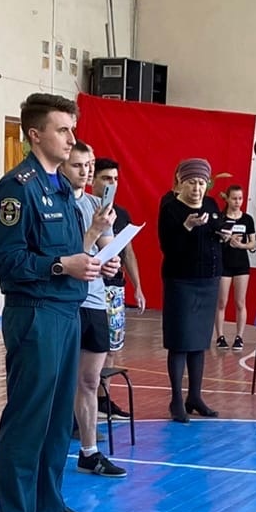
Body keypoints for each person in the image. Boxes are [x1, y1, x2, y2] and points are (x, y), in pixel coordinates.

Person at [0, 92, 110, 512]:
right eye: (63, 130)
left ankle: (47, 501)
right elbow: (6, 260)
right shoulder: (17, 188)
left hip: (66, 311)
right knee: (28, 415)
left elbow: (68, 250)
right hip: (35, 312)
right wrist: (64, 267)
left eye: (72, 129)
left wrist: (92, 262)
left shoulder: (61, 187)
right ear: (35, 134)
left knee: (59, 414)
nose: (72, 139)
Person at [65, 141, 124, 478]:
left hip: (96, 301)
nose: (86, 172)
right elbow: (70, 256)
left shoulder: (95, 204)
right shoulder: (57, 205)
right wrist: (93, 232)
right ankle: (51, 448)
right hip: (68, 302)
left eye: (89, 166)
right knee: (61, 381)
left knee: (89, 381)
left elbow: (103, 251)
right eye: (78, 166)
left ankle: (89, 452)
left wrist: (111, 261)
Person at [157, 159, 228, 422]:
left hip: (208, 280)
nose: (197, 188)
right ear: (181, 183)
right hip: (182, 282)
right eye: (192, 183)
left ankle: (195, 396)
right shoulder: (171, 208)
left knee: (199, 343)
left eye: (201, 183)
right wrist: (187, 226)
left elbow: (214, 233)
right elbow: (168, 247)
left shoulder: (210, 205)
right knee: (179, 342)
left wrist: (223, 235)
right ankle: (176, 399)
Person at [91, 156, 145, 389]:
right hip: (92, 287)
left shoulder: (120, 213)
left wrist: (138, 287)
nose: (110, 184)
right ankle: (84, 399)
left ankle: (104, 398)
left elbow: (129, 253)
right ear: (93, 180)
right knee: (91, 348)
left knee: (113, 345)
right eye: (105, 178)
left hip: (115, 287)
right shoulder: (86, 207)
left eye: (114, 179)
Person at [215, 182, 254, 350]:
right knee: (222, 302)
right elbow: (215, 239)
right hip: (224, 264)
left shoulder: (247, 219)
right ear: (228, 199)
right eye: (234, 198)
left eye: (240, 198)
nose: (237, 202)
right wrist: (225, 239)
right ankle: (220, 336)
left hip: (241, 265)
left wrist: (241, 245)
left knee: (240, 302)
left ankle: (239, 336)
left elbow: (252, 243)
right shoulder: (221, 218)